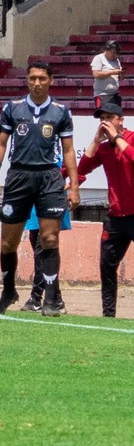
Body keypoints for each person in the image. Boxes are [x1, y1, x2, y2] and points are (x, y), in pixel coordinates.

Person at [0, 64, 78, 316]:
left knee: (49, 238)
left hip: (49, 177)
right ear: (27, 81)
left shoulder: (61, 112)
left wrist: (74, 186)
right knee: (8, 242)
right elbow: (1, 142)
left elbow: (69, 151)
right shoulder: (13, 108)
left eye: (41, 78)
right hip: (18, 176)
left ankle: (50, 300)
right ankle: (8, 292)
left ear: (51, 80)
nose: (36, 83)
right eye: (32, 78)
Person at [80, 98, 134, 317]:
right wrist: (95, 140)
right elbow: (83, 167)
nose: (105, 123)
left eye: (109, 118)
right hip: (115, 217)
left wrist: (117, 138)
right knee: (106, 265)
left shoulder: (130, 139)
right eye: (102, 119)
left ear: (121, 120)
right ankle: (108, 315)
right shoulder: (104, 149)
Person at [92, 40, 121, 114]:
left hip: (115, 94)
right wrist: (112, 72)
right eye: (113, 52)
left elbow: (120, 78)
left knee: (116, 117)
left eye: (116, 53)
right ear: (107, 50)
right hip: (103, 95)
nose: (114, 55)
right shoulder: (99, 58)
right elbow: (96, 74)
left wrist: (121, 74)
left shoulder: (116, 60)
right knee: (106, 117)